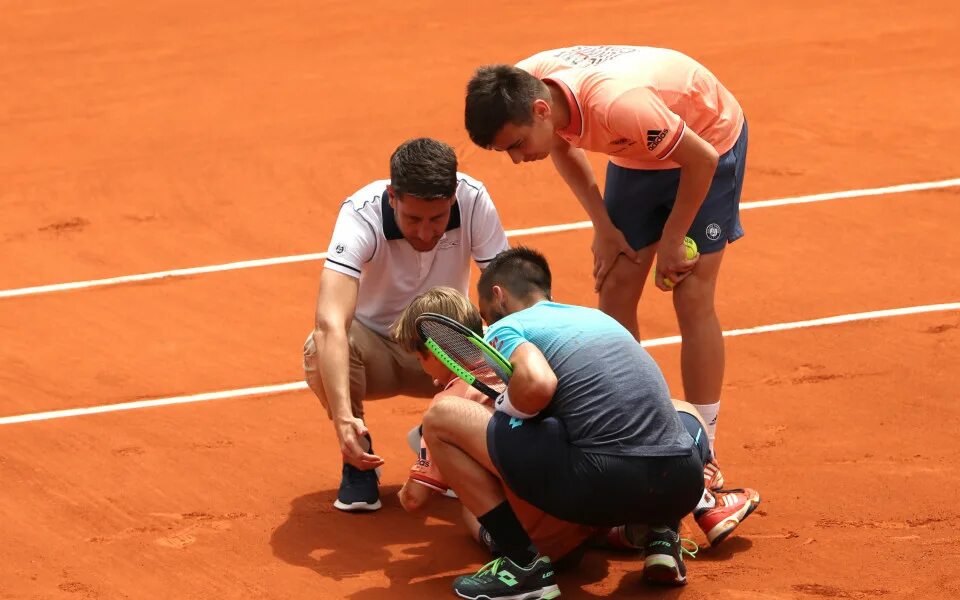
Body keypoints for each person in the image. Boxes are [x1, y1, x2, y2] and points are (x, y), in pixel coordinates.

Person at [463, 46, 754, 508]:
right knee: (616, 283)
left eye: (516, 145)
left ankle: (702, 446)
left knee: (691, 294)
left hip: (705, 140)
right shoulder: (527, 86)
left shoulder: (619, 106)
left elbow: (700, 161)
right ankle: (638, 431)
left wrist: (674, 238)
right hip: (639, 151)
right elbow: (559, 143)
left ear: (540, 110)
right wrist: (603, 227)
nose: (517, 160)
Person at [421, 247, 756, 598]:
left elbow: (537, 384)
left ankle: (523, 565)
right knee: (681, 410)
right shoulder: (599, 320)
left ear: (498, 296)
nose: (488, 324)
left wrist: (508, 406)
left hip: (597, 487)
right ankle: (663, 536)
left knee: (441, 418)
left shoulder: (507, 328)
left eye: (486, 315)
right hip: (679, 485)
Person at [303, 138, 508, 512]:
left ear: (453, 198)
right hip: (374, 353)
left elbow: (504, 297)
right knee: (321, 348)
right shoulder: (359, 214)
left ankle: (446, 438)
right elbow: (329, 322)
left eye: (438, 219)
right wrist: (343, 420)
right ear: (391, 196)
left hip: (442, 351)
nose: (427, 233)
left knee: (507, 351)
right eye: (414, 219)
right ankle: (358, 457)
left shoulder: (474, 200)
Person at [391, 287, 598, 568]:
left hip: (542, 538)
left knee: (469, 508)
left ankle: (513, 551)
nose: (421, 367)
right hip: (589, 503)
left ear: (435, 351)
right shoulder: (523, 366)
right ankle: (627, 534)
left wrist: (404, 491)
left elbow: (415, 499)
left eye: (419, 359)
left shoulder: (450, 401)